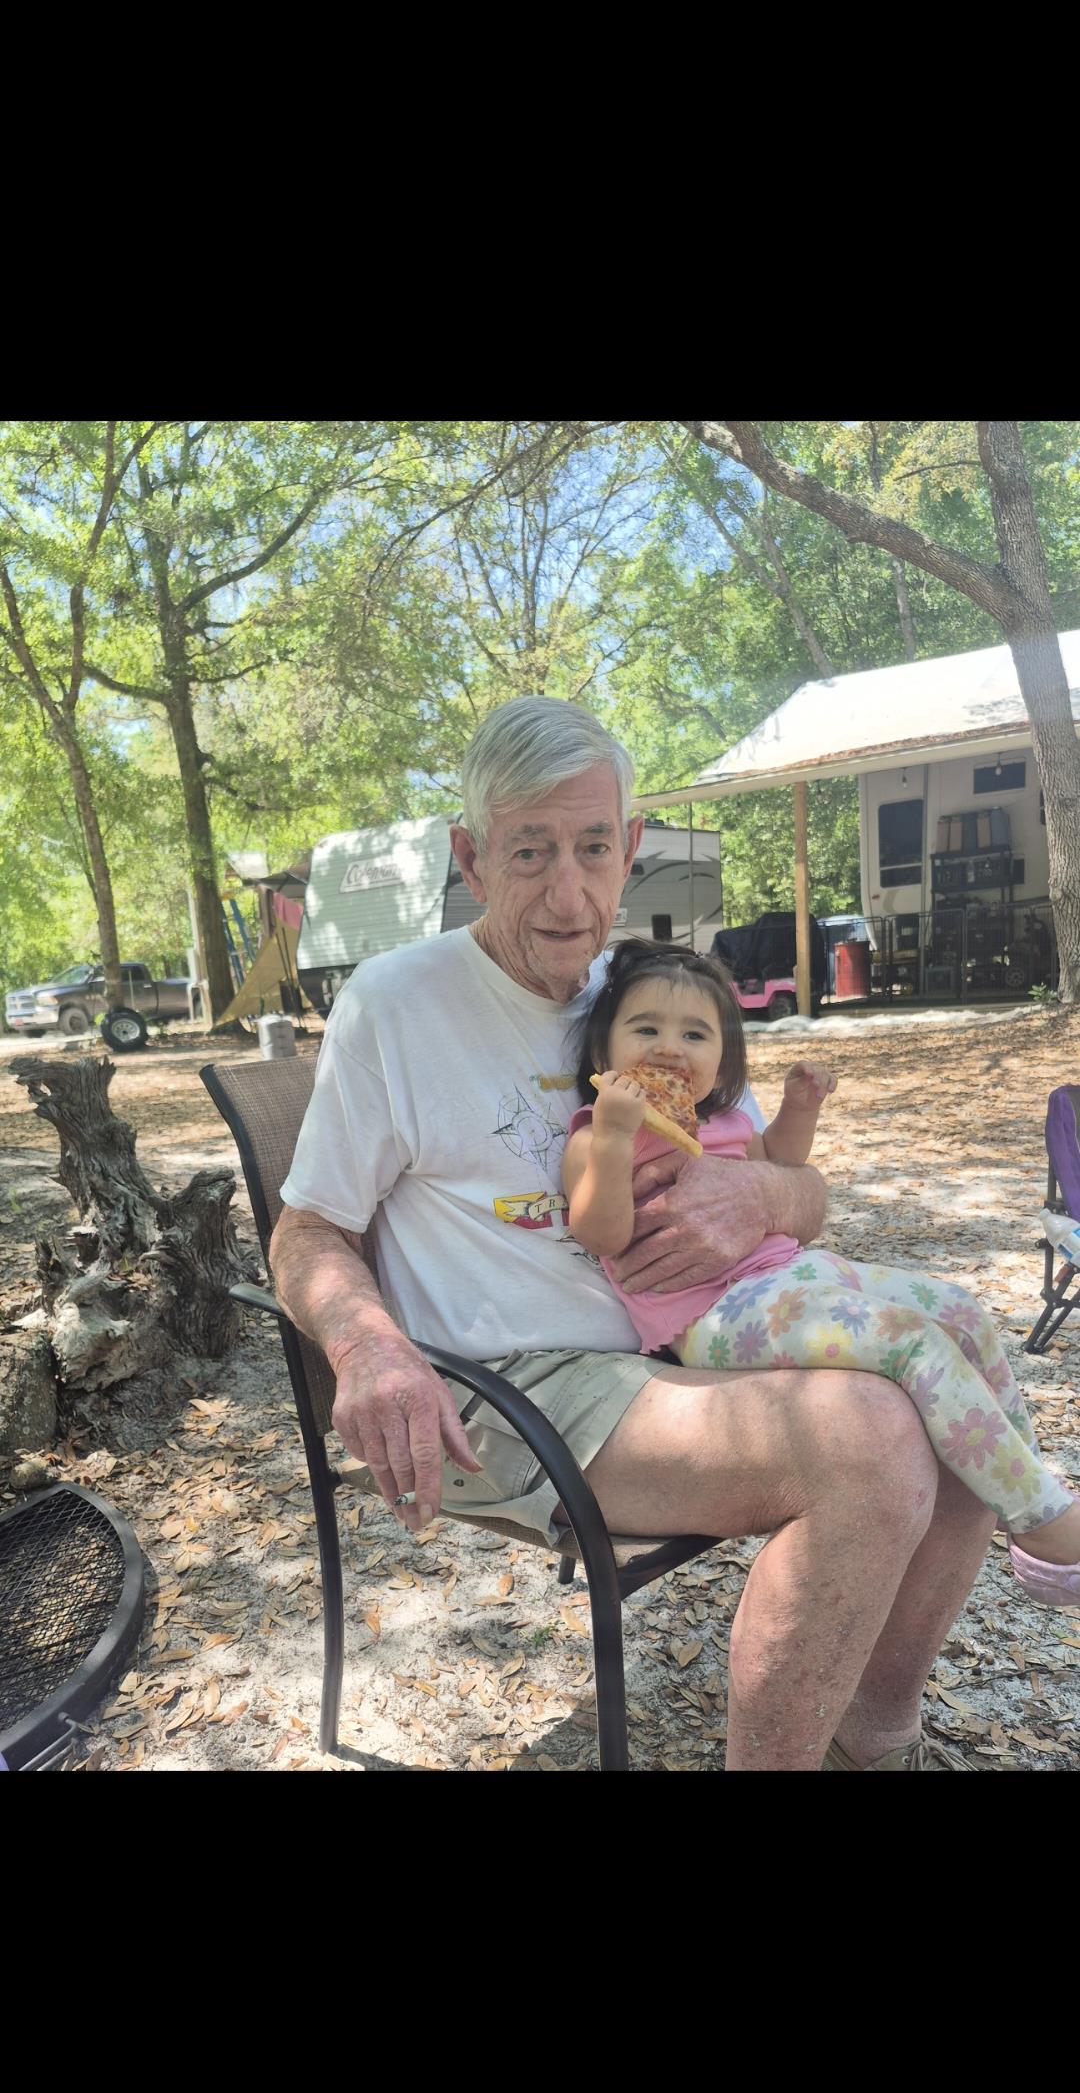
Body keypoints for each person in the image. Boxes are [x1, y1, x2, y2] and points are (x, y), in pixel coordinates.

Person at [269, 694, 1005, 1771]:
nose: (569, 894)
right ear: (471, 860)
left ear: (633, 849)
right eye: (530, 852)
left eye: (592, 847)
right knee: (873, 1442)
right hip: (516, 1384)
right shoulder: (396, 1004)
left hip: (693, 1339)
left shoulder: (648, 993)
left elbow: (792, 1187)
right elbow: (307, 1232)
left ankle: (876, 1726)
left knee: (967, 1359)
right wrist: (367, 1346)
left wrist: (771, 1202)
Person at [562, 939, 1080, 1613]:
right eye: (645, 1029)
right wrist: (611, 1136)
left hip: (795, 1272)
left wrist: (799, 1106)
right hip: (714, 1315)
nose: (668, 1047)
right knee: (912, 1343)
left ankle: (1029, 1477)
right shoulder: (592, 1135)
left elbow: (777, 1159)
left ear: (723, 1058)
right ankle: (1042, 1523)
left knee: (960, 1313)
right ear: (604, 1053)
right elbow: (597, 1231)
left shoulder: (716, 1120)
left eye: (694, 1033)